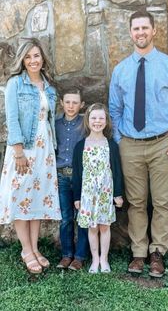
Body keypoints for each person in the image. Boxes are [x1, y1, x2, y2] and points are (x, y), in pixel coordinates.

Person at [109, 10, 168, 277]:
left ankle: (157, 252)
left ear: (154, 31)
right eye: (136, 29)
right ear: (130, 33)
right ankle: (138, 253)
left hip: (162, 144)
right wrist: (121, 141)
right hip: (130, 145)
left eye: (145, 28)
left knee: (162, 202)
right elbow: (115, 110)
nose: (141, 33)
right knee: (135, 202)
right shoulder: (120, 70)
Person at [0, 38, 61, 274]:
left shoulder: (50, 87)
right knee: (20, 197)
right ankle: (25, 249)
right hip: (24, 149)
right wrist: (18, 153)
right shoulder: (15, 84)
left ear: (42, 58)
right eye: (28, 57)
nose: (33, 60)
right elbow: (12, 119)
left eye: (36, 56)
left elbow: (49, 121)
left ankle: (35, 248)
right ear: (22, 61)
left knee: (37, 197)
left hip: (44, 150)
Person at [72, 103, 123, 273]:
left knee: (104, 227)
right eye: (94, 118)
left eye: (101, 118)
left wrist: (117, 194)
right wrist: (77, 198)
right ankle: (94, 260)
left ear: (106, 121)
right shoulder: (81, 146)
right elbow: (77, 174)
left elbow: (116, 171)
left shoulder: (111, 145)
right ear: (88, 120)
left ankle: (104, 259)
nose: (97, 121)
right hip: (88, 194)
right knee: (92, 228)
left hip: (105, 194)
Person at [55, 87, 90, 271]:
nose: (71, 106)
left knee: (82, 217)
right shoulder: (55, 124)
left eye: (75, 102)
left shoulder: (85, 125)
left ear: (81, 104)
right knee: (66, 218)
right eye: (67, 102)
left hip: (80, 177)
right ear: (61, 103)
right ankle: (67, 254)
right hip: (61, 177)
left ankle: (80, 256)